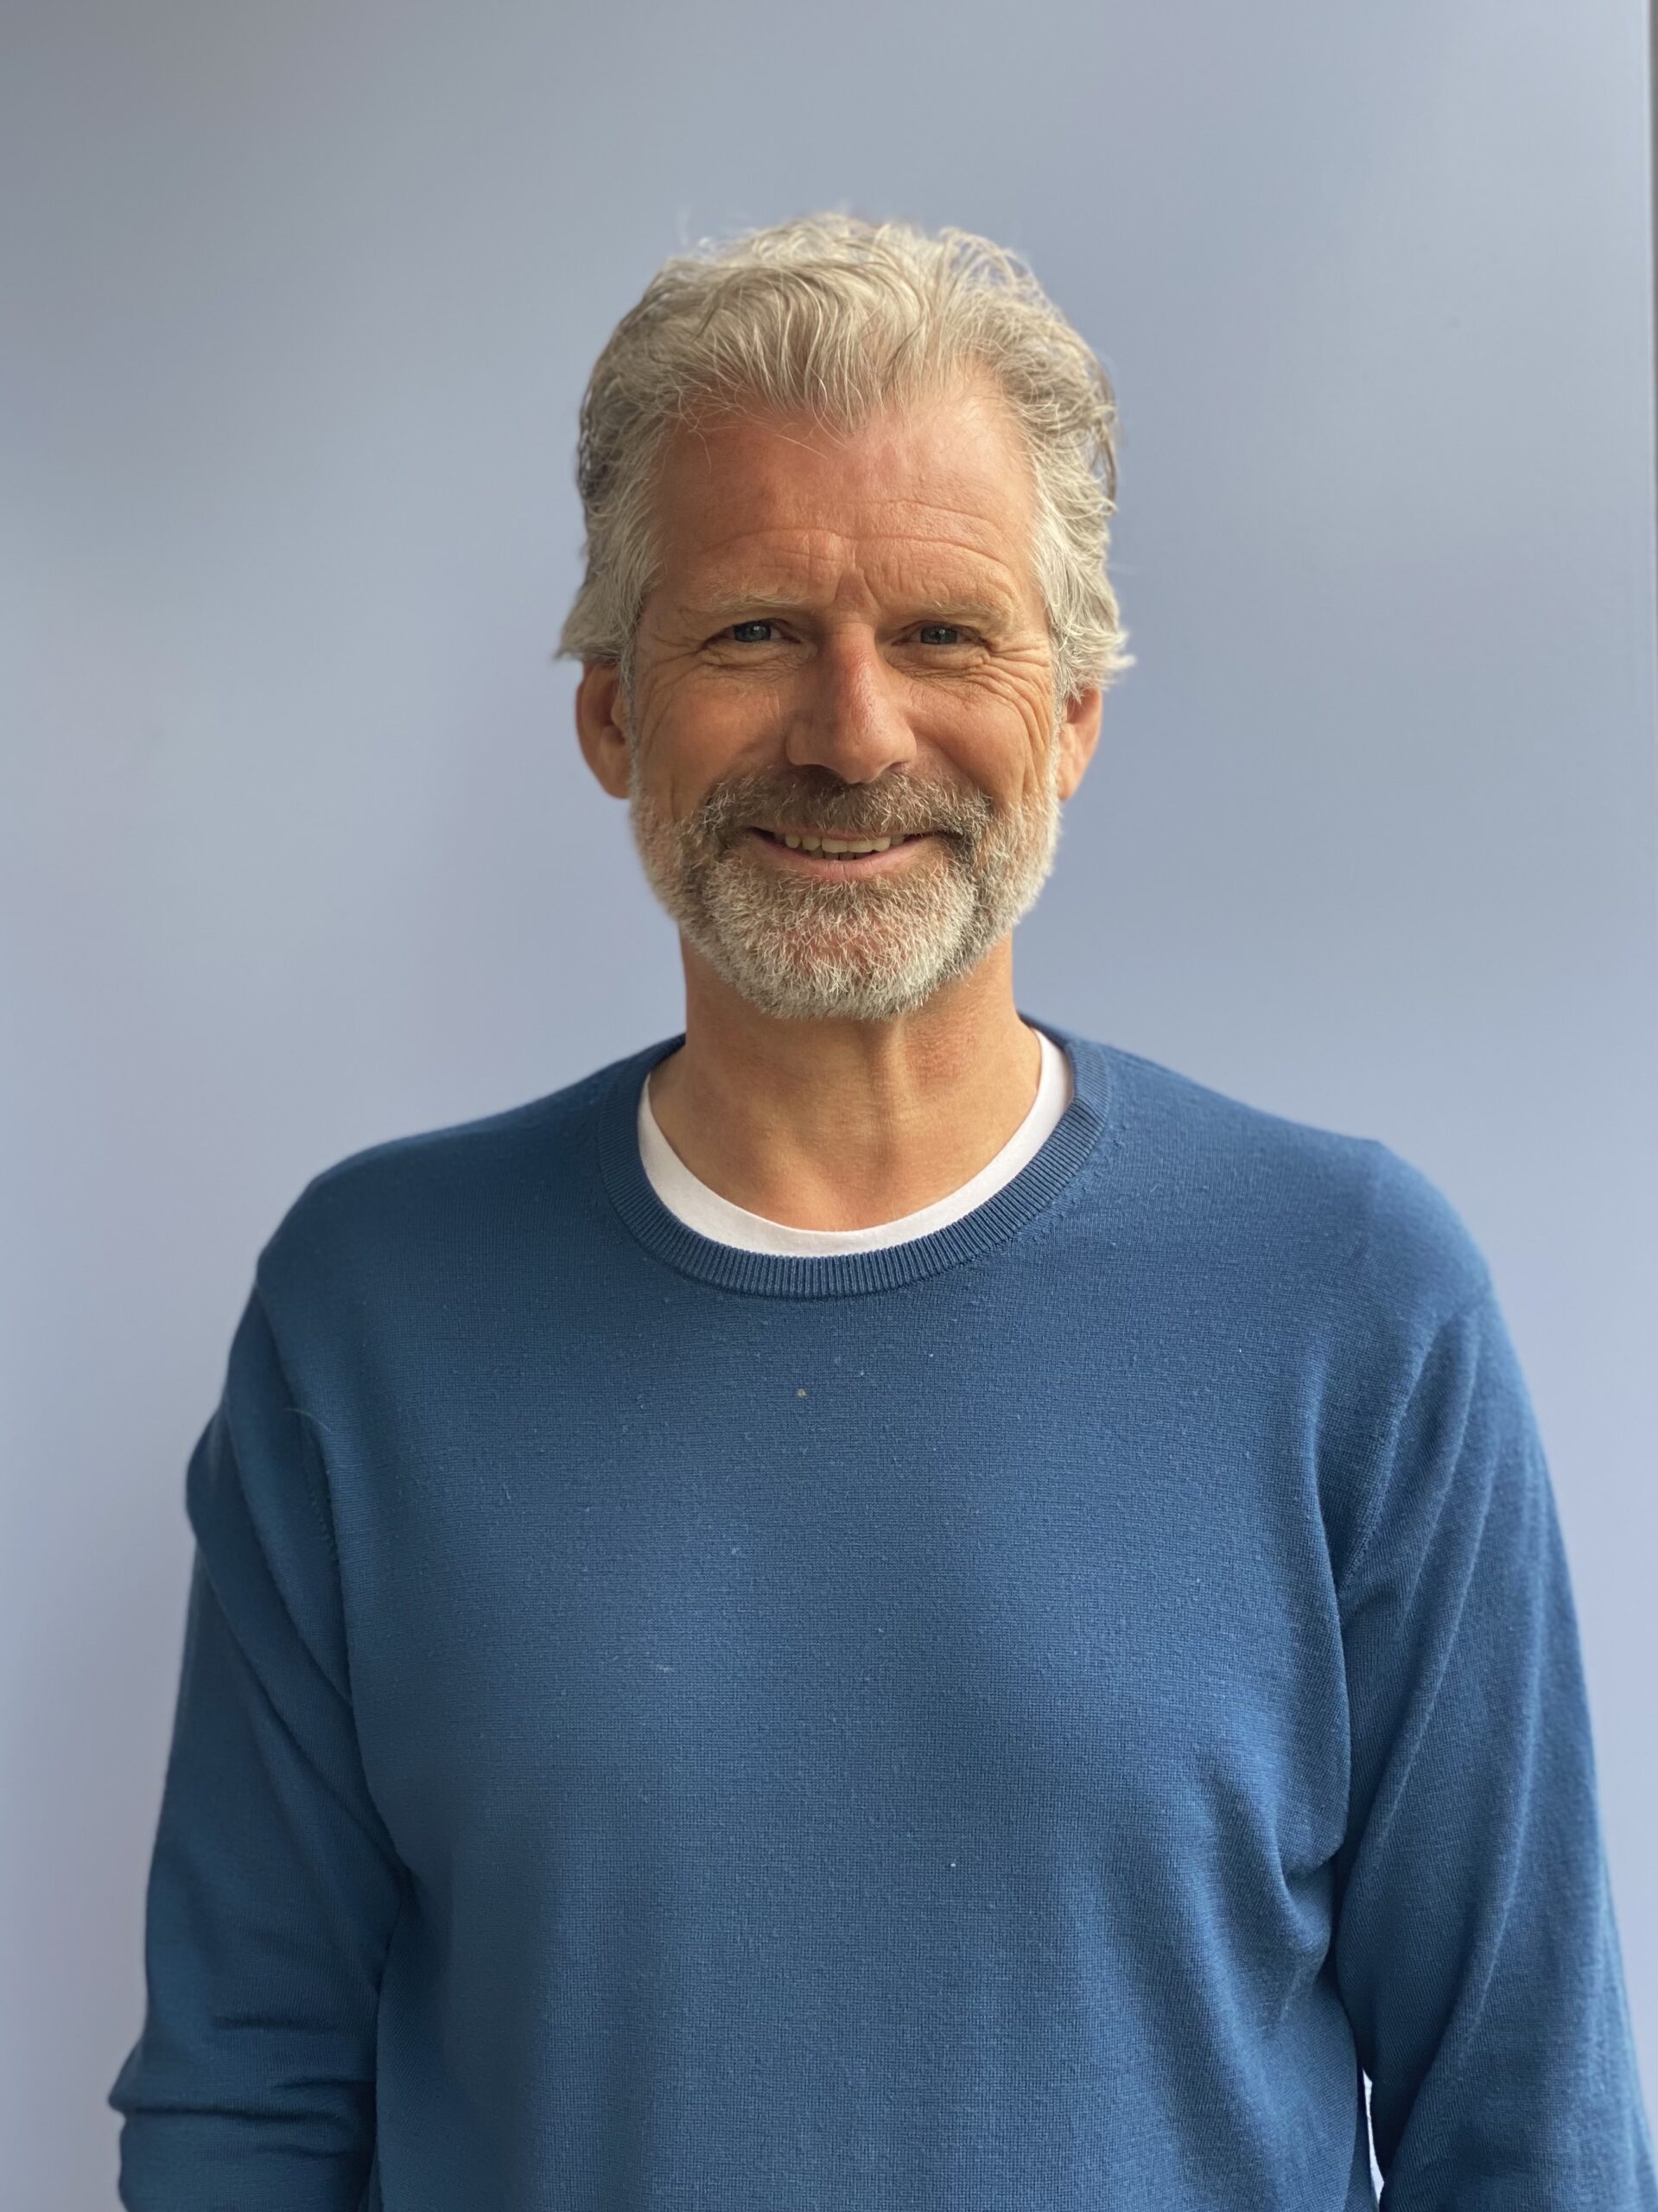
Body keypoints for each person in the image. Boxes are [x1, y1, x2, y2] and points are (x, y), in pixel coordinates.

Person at [108, 212, 1656, 2210]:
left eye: (943, 634)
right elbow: (244, 2098)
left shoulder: (1354, 1304)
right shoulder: (372, 1320)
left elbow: (1530, 2133)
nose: (852, 733)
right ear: (610, 708)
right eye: (757, 630)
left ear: (1074, 711)